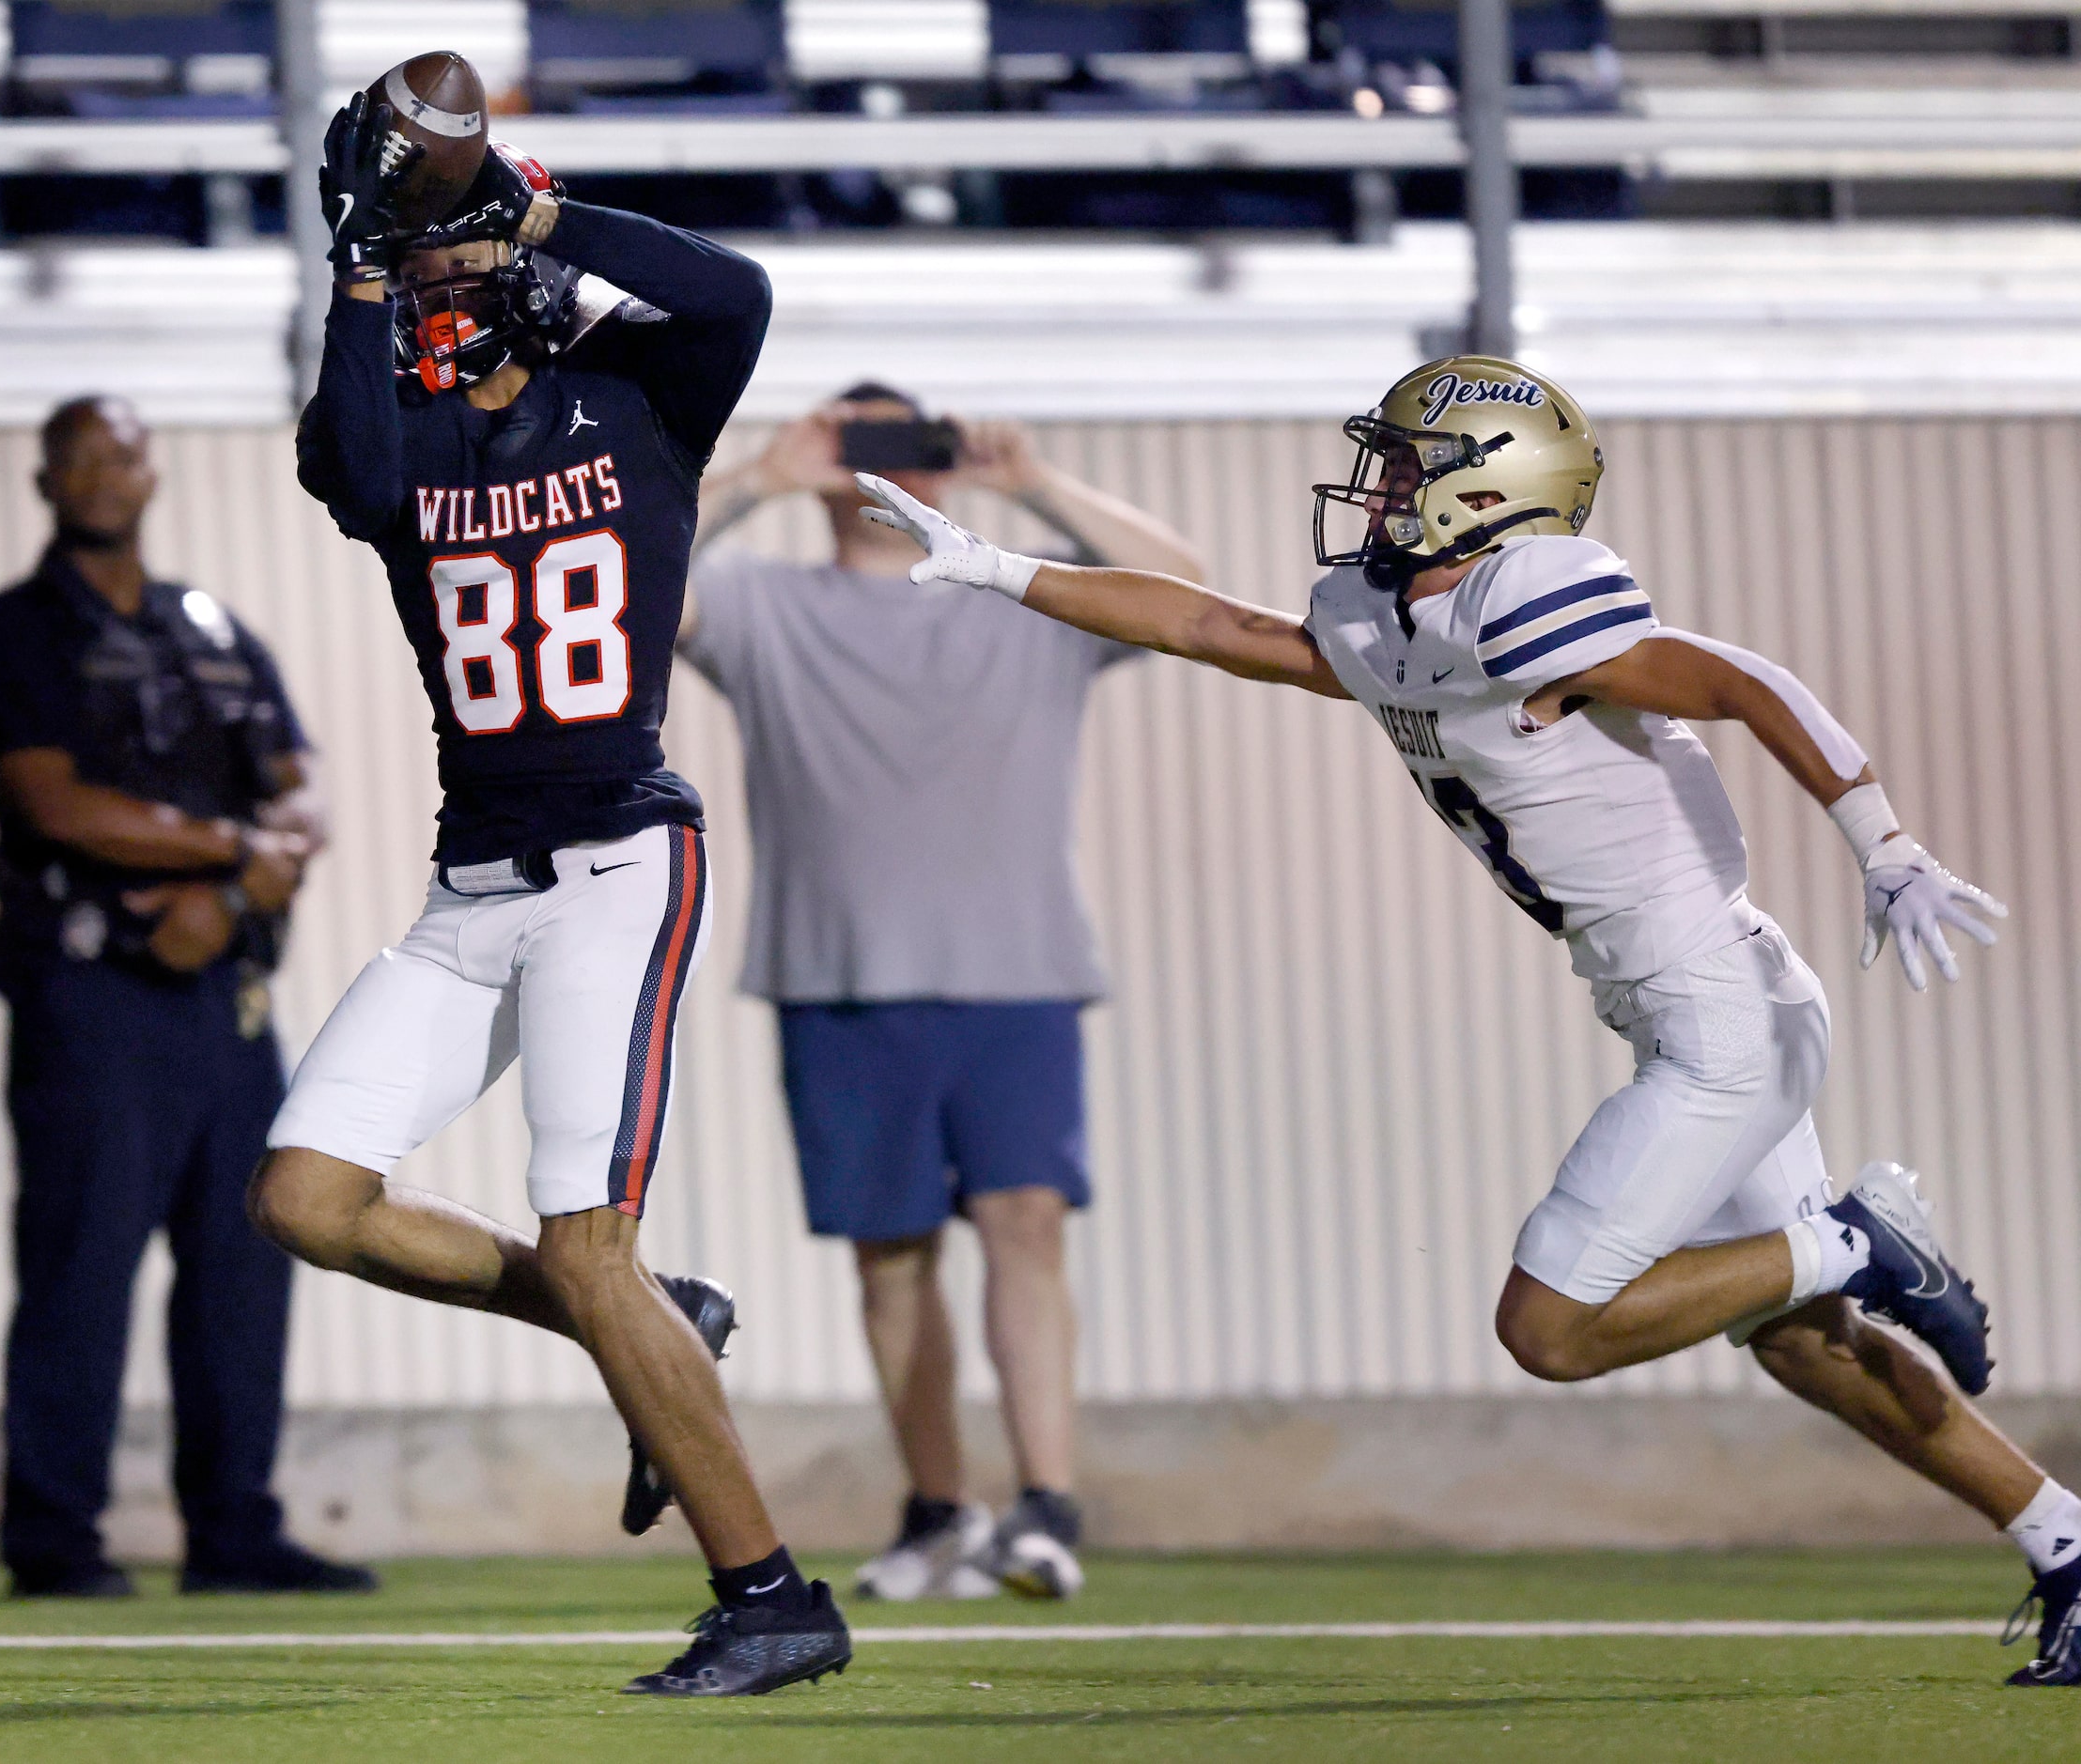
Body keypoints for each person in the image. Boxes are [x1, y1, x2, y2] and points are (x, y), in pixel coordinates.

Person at [858, 353, 2081, 1690]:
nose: (1376, 487)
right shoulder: (1388, 613)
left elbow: (1738, 676)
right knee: (1797, 1335)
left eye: (1405, 464)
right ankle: (2063, 1535)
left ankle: (1860, 1233)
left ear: (1489, 487)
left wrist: (1882, 839)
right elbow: (1220, 629)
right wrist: (995, 567)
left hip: (1717, 1008)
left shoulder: (1528, 592)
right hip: (1684, 996)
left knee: (1554, 1327)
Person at [248, 97, 851, 1697]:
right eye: (412, 280)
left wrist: (527, 220)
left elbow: (734, 294)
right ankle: (663, 1317)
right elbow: (347, 460)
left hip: (616, 859)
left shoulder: (640, 400)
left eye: (449, 272)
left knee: (589, 1242)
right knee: (307, 1199)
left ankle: (772, 1594)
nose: (427, 301)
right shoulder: (402, 438)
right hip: (470, 885)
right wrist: (359, 273)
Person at [679, 388, 1205, 1601]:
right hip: (841, 976)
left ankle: (1047, 1508)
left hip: (1015, 971)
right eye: (848, 441)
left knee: (1027, 1225)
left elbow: (1184, 591)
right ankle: (938, 1511)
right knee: (890, 1262)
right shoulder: (760, 604)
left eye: (896, 440)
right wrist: (761, 475)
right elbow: (615, 573)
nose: (872, 464)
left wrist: (1031, 481)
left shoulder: (1022, 594)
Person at [0, 395, 372, 1600]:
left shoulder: (216, 629)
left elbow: (306, 804)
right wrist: (228, 854)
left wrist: (237, 896)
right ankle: (54, 1540)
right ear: (45, 481)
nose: (103, 474)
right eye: (78, 457)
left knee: (245, 1265)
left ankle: (233, 1531)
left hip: (227, 999)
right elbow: (56, 805)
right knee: (81, 1268)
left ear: (154, 475)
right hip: (90, 994)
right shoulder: (15, 632)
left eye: (122, 454)